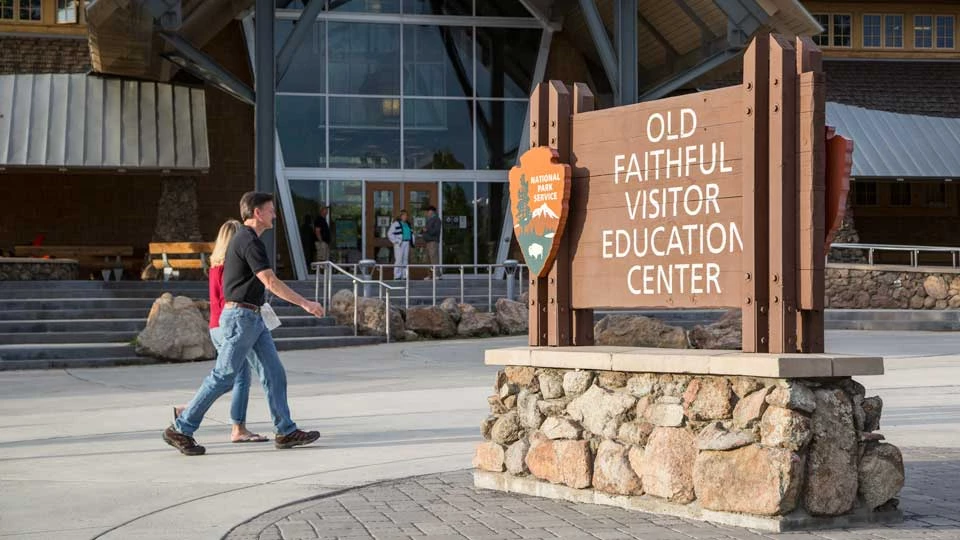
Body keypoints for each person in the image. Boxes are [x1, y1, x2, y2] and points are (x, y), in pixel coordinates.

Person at [163, 191, 325, 456]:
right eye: (271, 209)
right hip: (240, 318)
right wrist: (306, 304)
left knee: (274, 373)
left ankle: (285, 431)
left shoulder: (248, 240)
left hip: (253, 317)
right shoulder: (249, 240)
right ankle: (181, 427)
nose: (275, 214)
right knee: (225, 376)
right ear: (257, 213)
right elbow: (270, 281)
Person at [172, 219, 268, 444]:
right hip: (231, 325)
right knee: (234, 377)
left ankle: (191, 410)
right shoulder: (231, 267)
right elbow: (232, 299)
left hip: (215, 325)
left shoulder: (215, 266)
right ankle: (236, 427)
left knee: (228, 376)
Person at [387, 209, 413, 280]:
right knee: (398, 260)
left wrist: (412, 241)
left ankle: (404, 275)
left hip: (406, 243)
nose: (405, 217)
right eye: (404, 215)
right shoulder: (396, 223)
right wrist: (396, 241)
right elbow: (389, 233)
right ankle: (397, 276)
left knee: (405, 259)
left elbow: (411, 233)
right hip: (399, 243)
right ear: (400, 216)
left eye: (406, 215)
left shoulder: (408, 224)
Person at [421, 205, 442, 279]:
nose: (427, 213)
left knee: (434, 258)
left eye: (428, 211)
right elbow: (426, 230)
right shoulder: (428, 220)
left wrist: (427, 230)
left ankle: (437, 275)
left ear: (432, 212)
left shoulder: (437, 219)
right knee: (428, 259)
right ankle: (430, 275)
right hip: (427, 242)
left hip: (433, 242)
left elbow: (436, 231)